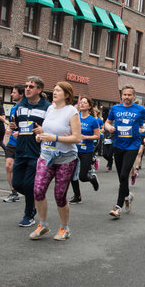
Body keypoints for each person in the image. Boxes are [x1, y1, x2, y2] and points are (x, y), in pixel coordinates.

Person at [30, 82, 81, 240]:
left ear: (66, 95)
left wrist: (55, 138)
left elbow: (77, 138)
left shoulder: (71, 111)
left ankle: (64, 228)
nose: (54, 92)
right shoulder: (50, 108)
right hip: (46, 155)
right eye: (54, 90)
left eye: (58, 90)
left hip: (66, 158)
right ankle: (43, 224)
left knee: (59, 195)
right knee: (38, 190)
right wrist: (41, 135)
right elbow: (48, 130)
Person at [104, 85, 145, 219]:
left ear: (134, 96)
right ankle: (128, 195)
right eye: (124, 95)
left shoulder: (140, 110)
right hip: (118, 145)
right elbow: (107, 123)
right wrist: (109, 128)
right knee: (121, 176)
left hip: (133, 146)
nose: (127, 97)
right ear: (121, 96)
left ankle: (118, 207)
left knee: (125, 174)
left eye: (129, 95)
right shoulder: (115, 108)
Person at [10, 76, 51, 227]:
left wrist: (43, 129)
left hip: (36, 152)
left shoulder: (47, 107)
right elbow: (21, 126)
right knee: (17, 183)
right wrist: (15, 128)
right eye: (26, 86)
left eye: (31, 87)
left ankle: (29, 214)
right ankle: (35, 200)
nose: (27, 89)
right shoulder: (20, 106)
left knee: (28, 184)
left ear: (39, 90)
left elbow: (52, 127)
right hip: (20, 150)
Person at [69, 96, 100, 204]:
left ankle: (92, 179)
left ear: (89, 106)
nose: (81, 104)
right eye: (81, 102)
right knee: (72, 175)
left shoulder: (93, 120)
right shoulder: (75, 117)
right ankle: (77, 196)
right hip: (74, 150)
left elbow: (97, 136)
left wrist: (86, 137)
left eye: (84, 103)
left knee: (82, 176)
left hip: (87, 150)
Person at [3, 84, 24, 202]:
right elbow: (13, 124)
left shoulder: (26, 108)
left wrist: (20, 133)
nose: (11, 94)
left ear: (21, 94)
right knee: (8, 166)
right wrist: (10, 128)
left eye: (14, 92)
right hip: (12, 142)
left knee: (21, 169)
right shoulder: (12, 109)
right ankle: (13, 192)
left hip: (23, 142)